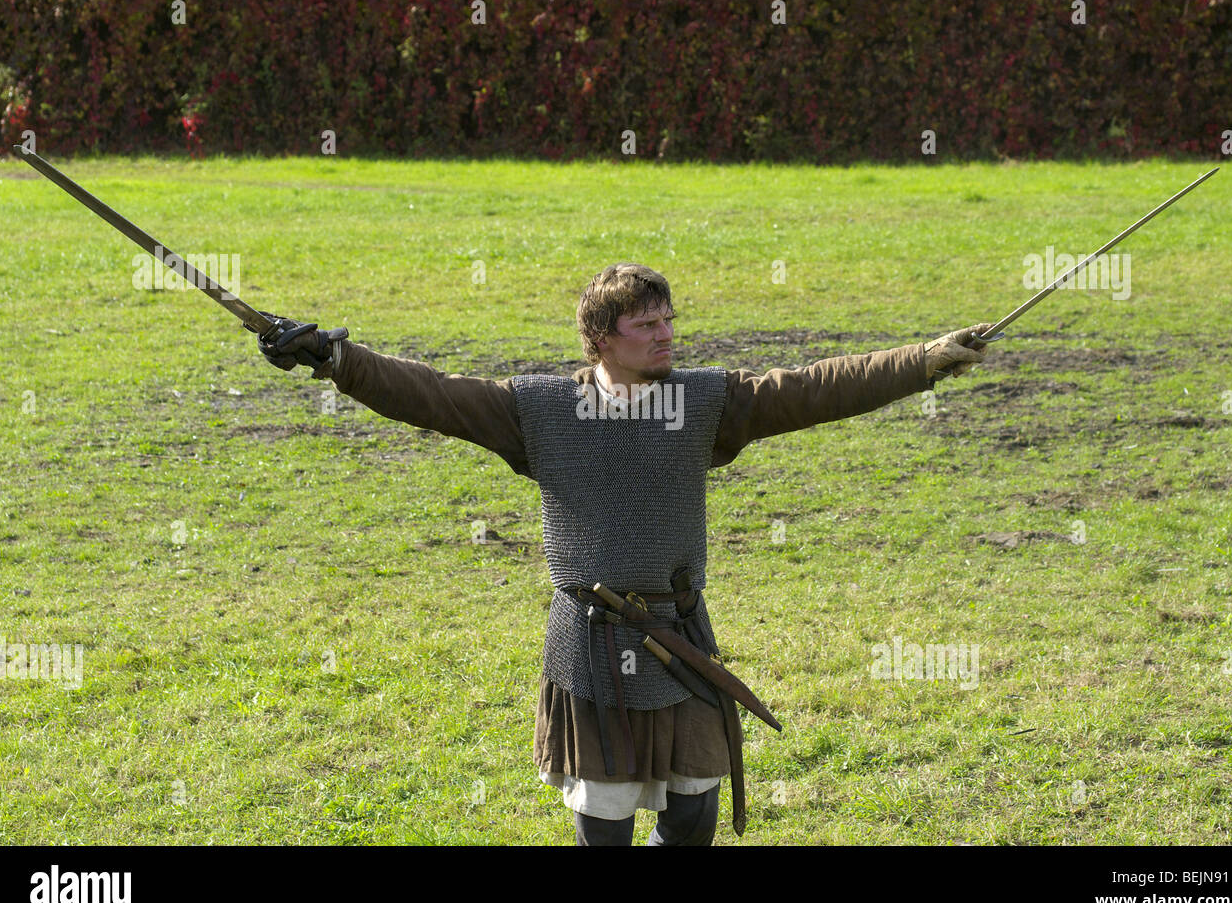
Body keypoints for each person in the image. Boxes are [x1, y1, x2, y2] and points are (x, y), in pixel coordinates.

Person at [256, 262, 992, 845]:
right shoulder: (539, 410)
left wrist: (922, 361)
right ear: (602, 338)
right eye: (647, 324)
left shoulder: (705, 402)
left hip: (680, 641)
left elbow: (815, 388)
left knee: (694, 815)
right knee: (603, 824)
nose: (667, 334)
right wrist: (334, 357)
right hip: (592, 645)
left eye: (670, 319)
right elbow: (429, 393)